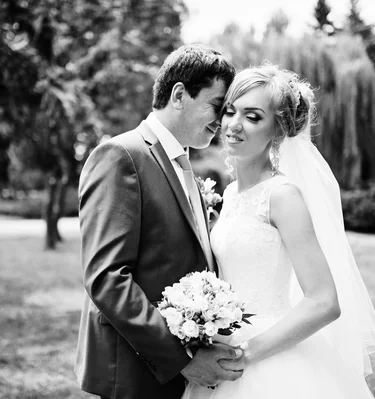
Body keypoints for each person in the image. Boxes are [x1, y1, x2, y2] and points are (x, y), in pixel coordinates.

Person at [183, 64, 375, 399]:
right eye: (230, 111)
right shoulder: (232, 194)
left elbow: (324, 302)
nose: (234, 124)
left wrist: (245, 354)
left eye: (253, 116)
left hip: (268, 355)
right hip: (221, 346)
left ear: (277, 130)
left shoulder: (282, 196)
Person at [75, 44, 245, 399]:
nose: (223, 121)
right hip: (138, 370)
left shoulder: (183, 164)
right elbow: (107, 278)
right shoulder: (121, 156)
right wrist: (179, 359)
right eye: (217, 106)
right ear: (179, 94)